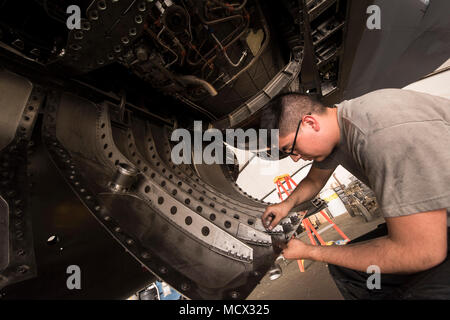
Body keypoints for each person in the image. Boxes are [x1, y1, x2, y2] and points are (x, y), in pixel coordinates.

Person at [260, 89, 450, 299]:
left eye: (291, 148)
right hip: (436, 219)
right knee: (351, 270)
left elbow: (422, 253)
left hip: (433, 238)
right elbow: (314, 180)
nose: (294, 158)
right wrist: (286, 204)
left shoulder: (383, 137)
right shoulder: (341, 123)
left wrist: (311, 251)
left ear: (310, 123)